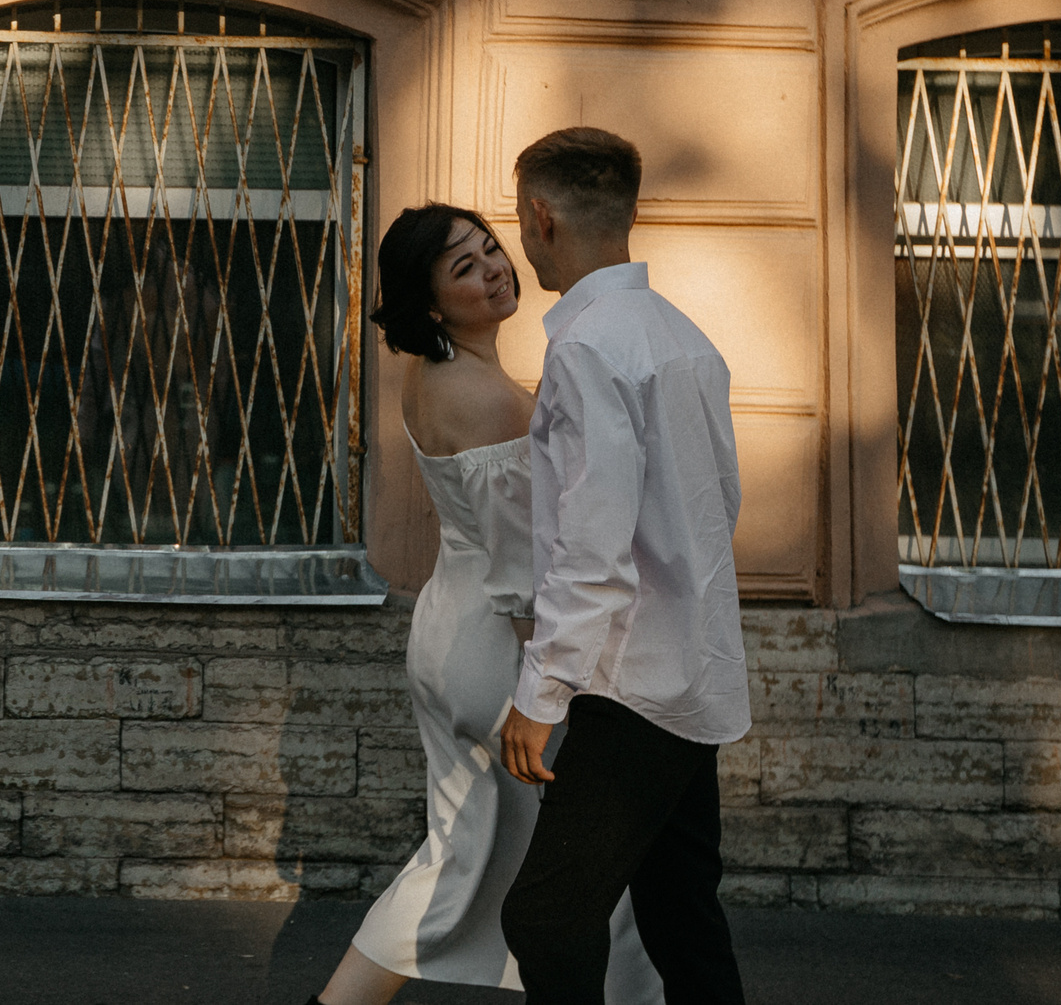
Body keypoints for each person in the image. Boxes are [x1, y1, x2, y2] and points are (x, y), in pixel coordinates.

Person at [311, 204, 662, 1005]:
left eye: (490, 249)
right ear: (432, 305)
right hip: (499, 649)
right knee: (585, 861)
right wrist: (554, 683)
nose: (495, 269)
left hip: (451, 630)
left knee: (462, 854)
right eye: (464, 268)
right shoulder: (484, 398)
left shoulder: (431, 372)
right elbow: (521, 567)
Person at [496, 128, 750, 1005]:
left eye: (518, 217)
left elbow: (591, 549)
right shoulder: (684, 336)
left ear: (541, 215)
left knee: (546, 917)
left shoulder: (586, 346)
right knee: (681, 917)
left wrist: (540, 694)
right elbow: (720, 502)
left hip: (630, 682)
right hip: (690, 672)